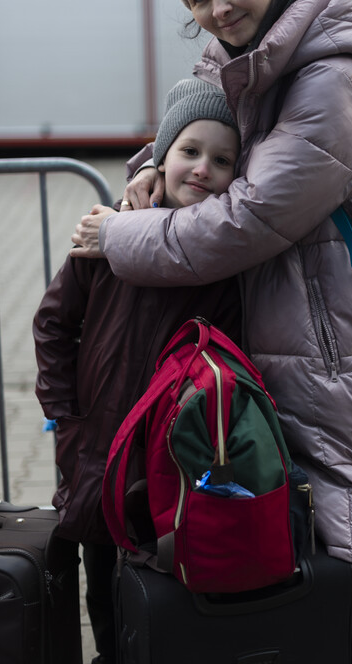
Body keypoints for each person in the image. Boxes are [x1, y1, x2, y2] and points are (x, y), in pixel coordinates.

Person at [71, 0, 352, 663]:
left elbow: (247, 222)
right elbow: (194, 122)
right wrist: (146, 178)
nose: (215, 7)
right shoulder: (250, 61)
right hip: (278, 345)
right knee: (307, 551)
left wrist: (123, 235)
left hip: (336, 351)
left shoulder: (331, 78)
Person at [34, 78, 242, 664]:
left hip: (172, 454)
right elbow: (53, 323)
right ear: (161, 157)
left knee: (161, 581)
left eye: (222, 160)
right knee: (100, 581)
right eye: (190, 151)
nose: (202, 169)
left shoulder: (224, 258)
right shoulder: (108, 234)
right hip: (98, 442)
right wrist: (63, 409)